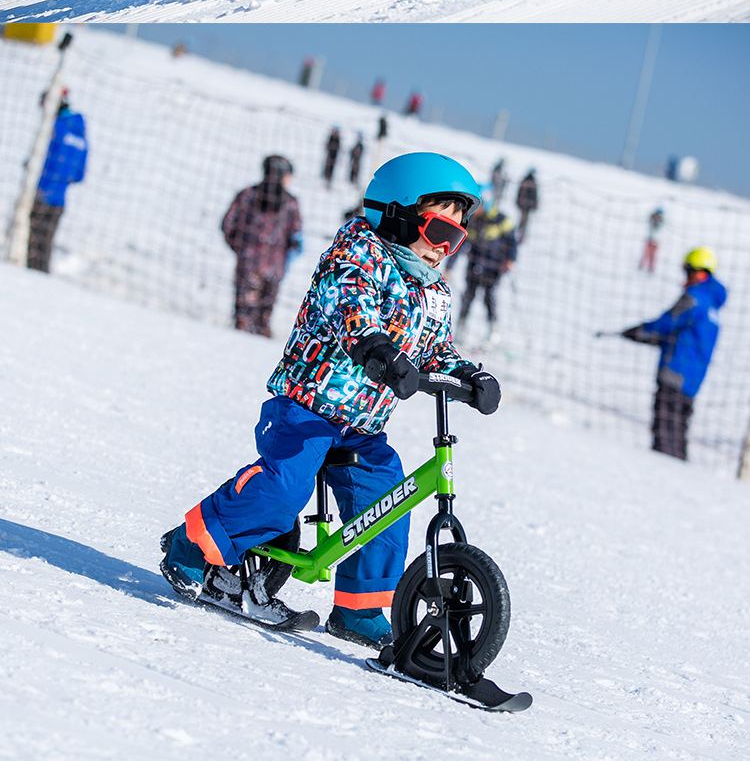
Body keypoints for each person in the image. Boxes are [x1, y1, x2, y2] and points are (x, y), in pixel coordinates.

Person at [160, 152, 501, 646]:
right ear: (398, 215)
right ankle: (192, 549)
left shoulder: (435, 292)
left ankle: (359, 610)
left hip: (362, 425)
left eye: (457, 236)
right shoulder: (356, 256)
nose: (445, 248)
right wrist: (375, 350)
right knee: (282, 489)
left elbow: (435, 351)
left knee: (388, 500)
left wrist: (468, 376)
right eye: (437, 231)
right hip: (305, 409)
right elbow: (350, 308)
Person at [620, 248, 727, 461]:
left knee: (664, 433)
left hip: (674, 373)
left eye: (688, 272)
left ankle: (664, 480)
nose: (686, 278)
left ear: (699, 272)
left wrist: (638, 331)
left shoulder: (694, 299)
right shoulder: (713, 309)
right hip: (692, 382)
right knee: (678, 435)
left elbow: (666, 325)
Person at [222, 156, 303, 337]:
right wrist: (285, 256)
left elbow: (227, 224)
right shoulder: (291, 203)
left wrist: (242, 250)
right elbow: (296, 236)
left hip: (247, 265)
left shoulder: (247, 194)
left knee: (242, 320)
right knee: (263, 323)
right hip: (274, 270)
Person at [27, 90, 88, 273]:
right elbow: (79, 174)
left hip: (41, 193)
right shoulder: (81, 134)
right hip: (59, 200)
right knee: (45, 245)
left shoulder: (54, 128)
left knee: (31, 246)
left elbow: (41, 160)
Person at [457, 202, 518, 335]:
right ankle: (461, 329)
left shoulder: (501, 219)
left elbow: (512, 241)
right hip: (474, 265)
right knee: (468, 296)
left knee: (489, 298)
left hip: (493, 267)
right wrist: (449, 267)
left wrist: (510, 260)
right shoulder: (471, 221)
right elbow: (461, 244)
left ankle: (493, 331)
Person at [638, 207, 665, 273]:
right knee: (645, 254)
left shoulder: (661, 222)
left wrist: (657, 221)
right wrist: (653, 217)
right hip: (650, 240)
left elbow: (658, 228)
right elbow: (650, 222)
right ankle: (641, 265)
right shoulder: (652, 221)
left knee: (653, 256)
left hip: (656, 242)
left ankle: (651, 268)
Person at [515, 170, 538, 241]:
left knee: (524, 220)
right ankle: (519, 234)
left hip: (526, 205)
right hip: (525, 205)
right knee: (523, 220)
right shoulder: (529, 182)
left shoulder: (528, 181)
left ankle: (521, 234)